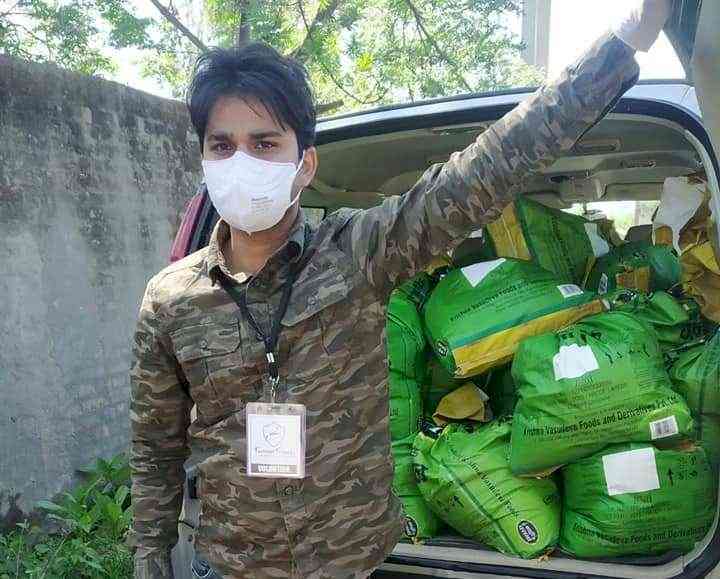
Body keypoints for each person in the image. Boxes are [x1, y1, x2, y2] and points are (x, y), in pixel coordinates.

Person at [130, 2, 672, 577]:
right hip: (229, 564)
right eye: (222, 146)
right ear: (204, 158)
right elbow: (156, 443)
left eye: (264, 144)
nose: (241, 162)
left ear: (305, 163)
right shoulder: (172, 299)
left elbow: (481, 174)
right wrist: (149, 551)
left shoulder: (360, 253)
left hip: (350, 561)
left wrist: (622, 44)